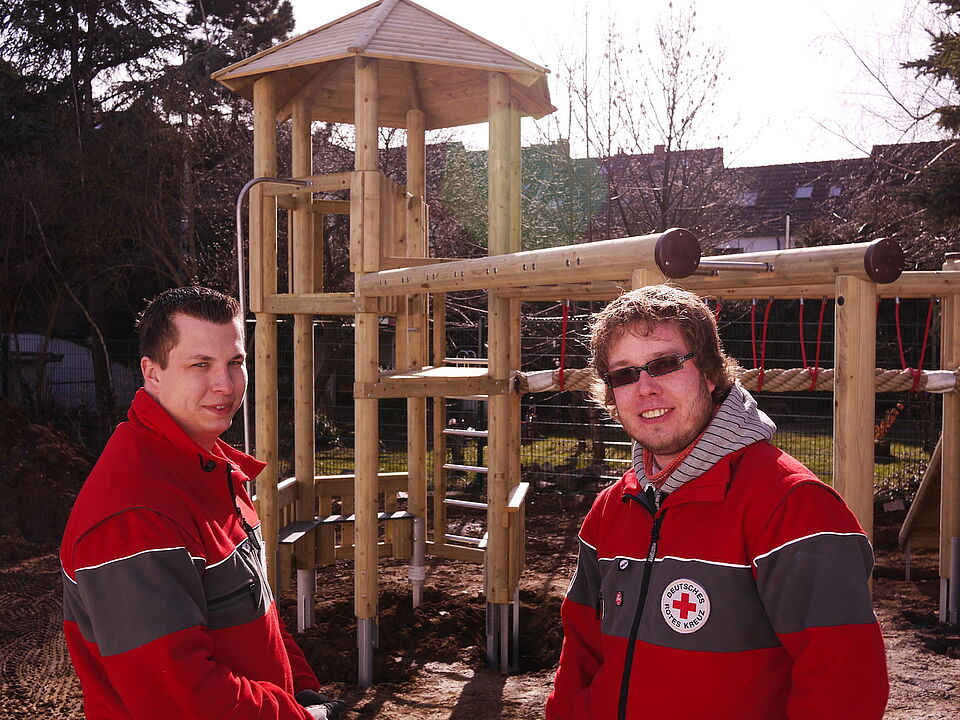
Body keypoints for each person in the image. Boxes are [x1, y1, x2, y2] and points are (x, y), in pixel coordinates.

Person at [545, 285, 888, 720]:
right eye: (624, 374)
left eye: (665, 364)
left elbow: (845, 688)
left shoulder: (794, 507)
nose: (645, 388)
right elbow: (580, 657)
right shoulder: (613, 508)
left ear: (709, 372)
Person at [61, 286, 344, 720]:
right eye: (200, 365)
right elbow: (178, 699)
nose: (225, 385)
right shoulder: (135, 514)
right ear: (152, 373)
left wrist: (302, 689)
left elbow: (257, 608)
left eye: (235, 362)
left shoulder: (213, 470)